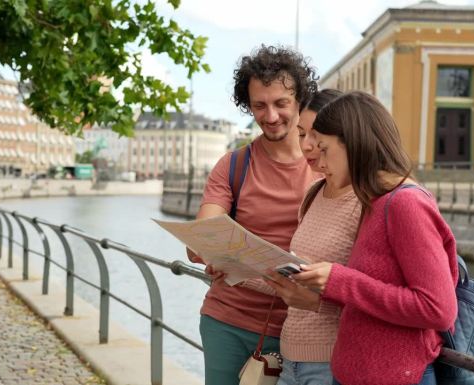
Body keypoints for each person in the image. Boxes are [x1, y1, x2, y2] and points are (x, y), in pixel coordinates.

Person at [291, 91, 459, 385]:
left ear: (355, 145)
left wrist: (339, 281)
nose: (319, 159)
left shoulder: (405, 204)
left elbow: (438, 309)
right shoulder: (375, 201)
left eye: (325, 148)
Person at [187, 45, 319, 385]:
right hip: (227, 321)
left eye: (281, 103)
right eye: (259, 105)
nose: (271, 116)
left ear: (300, 100)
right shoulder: (233, 165)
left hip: (303, 330)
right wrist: (212, 250)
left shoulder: (325, 167)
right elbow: (201, 240)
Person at [261, 89, 361, 385]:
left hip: (330, 364)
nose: (306, 146)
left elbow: (372, 297)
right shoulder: (314, 193)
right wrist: (234, 267)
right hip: (289, 357)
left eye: (315, 136)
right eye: (301, 133)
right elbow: (298, 277)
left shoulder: (367, 202)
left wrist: (316, 303)